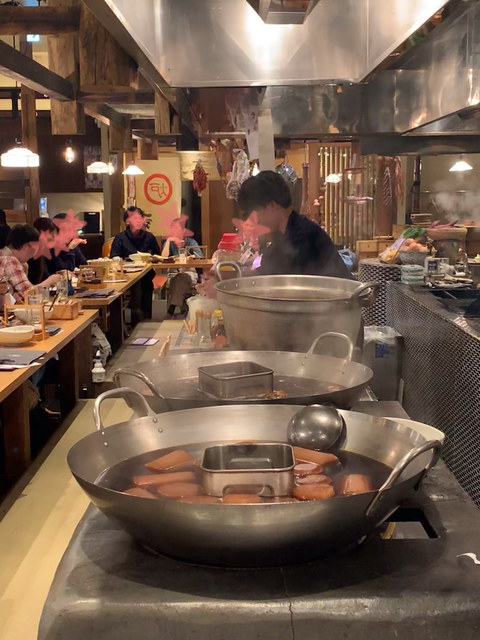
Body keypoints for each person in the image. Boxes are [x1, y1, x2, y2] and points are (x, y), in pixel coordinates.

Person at [237, 170, 352, 278]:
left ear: (272, 206)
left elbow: (281, 278)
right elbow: (267, 269)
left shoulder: (305, 235)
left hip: (340, 293)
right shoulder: (282, 236)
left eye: (255, 213)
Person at [110, 206, 161, 323]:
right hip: (126, 275)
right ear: (127, 221)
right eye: (134, 218)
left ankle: (145, 320)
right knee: (135, 286)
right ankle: (134, 321)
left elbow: (157, 255)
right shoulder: (120, 238)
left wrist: (150, 258)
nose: (138, 221)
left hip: (146, 274)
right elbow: (114, 256)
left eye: (140, 218)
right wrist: (119, 260)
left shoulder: (149, 237)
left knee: (145, 284)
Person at [0, 224, 60, 304]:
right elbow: (30, 294)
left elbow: (20, 294)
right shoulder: (10, 261)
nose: (35, 253)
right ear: (25, 246)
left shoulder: (3, 255)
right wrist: (50, 281)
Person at [162, 217, 203, 318]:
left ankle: (171, 310)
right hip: (173, 273)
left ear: (184, 230)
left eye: (176, 228)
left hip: (188, 273)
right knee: (178, 279)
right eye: (172, 228)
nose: (174, 231)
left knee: (179, 279)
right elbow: (163, 257)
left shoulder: (191, 242)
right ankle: (183, 309)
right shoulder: (169, 243)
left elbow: (200, 256)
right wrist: (168, 240)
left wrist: (191, 257)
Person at [28, 217, 58, 285]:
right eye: (51, 234)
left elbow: (44, 275)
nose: (54, 238)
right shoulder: (32, 252)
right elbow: (35, 280)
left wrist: (57, 275)